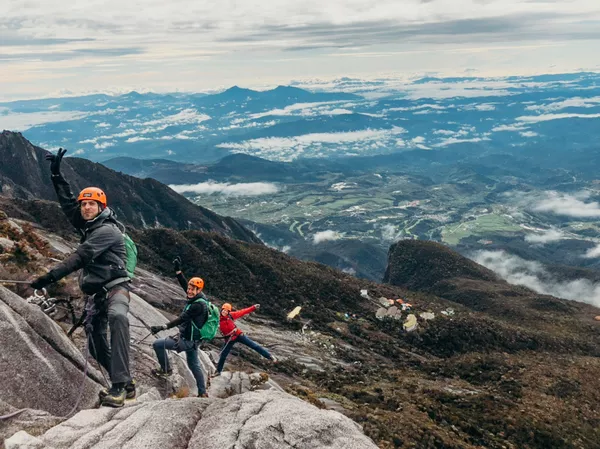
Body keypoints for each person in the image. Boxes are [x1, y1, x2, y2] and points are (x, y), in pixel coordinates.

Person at [30, 148, 134, 407]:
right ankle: (126, 384)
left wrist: (47, 278)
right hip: (97, 294)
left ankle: (119, 388)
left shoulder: (108, 231)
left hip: (116, 288)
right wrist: (56, 174)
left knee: (118, 317)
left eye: (92, 204)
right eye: (84, 203)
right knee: (97, 342)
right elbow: (67, 203)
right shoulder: (88, 223)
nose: (86, 207)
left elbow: (80, 257)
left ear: (102, 207)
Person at [149, 256, 210, 397]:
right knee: (194, 366)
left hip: (187, 341)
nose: (189, 291)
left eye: (192, 289)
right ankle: (202, 393)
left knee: (158, 344)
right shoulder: (200, 297)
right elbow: (185, 286)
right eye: (189, 288)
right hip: (193, 341)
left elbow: (181, 319)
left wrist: (162, 327)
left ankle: (165, 370)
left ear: (198, 290)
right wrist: (178, 272)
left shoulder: (197, 306)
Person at [214, 302, 277, 376]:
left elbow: (243, 312)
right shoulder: (217, 319)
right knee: (223, 355)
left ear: (229, 312)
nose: (224, 312)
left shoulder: (231, 315)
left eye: (227, 311)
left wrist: (253, 307)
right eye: (224, 310)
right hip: (229, 340)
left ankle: (269, 356)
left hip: (238, 335)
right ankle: (218, 371)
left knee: (254, 346)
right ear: (221, 310)